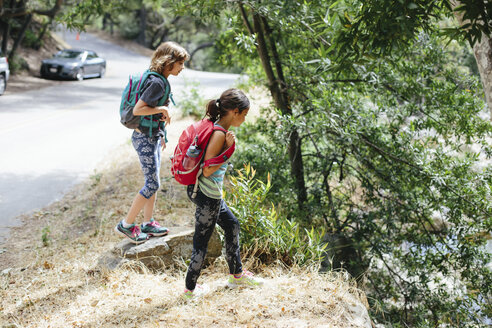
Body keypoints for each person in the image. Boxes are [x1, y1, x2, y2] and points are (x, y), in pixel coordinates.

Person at [183, 88, 264, 300]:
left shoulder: (219, 130)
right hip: (207, 195)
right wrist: (228, 149)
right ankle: (189, 291)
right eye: (244, 115)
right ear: (235, 111)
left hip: (211, 195)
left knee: (232, 225)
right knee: (201, 243)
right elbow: (209, 169)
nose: (244, 120)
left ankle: (236, 276)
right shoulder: (219, 135)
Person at [115, 42, 189, 244]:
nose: (182, 67)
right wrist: (162, 111)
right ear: (168, 62)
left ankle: (148, 222)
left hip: (152, 136)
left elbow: (152, 107)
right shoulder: (157, 82)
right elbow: (139, 110)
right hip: (144, 138)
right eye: (180, 63)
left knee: (153, 183)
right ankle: (127, 224)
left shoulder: (161, 80)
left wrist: (161, 132)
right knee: (152, 183)